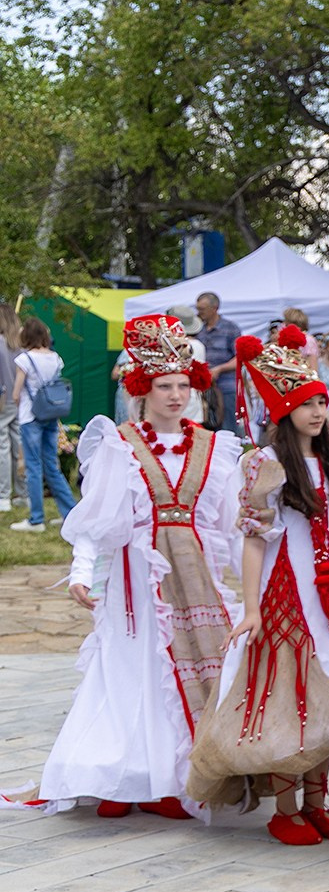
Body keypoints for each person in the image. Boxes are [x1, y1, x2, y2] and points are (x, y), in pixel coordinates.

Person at [7, 316, 239, 821]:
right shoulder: (121, 443)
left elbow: (229, 526)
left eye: (183, 385)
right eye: (164, 386)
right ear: (143, 390)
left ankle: (171, 781)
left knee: (181, 674)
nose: (175, 395)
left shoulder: (213, 447)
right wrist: (83, 571)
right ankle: (118, 774)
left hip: (194, 579)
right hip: (137, 581)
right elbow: (96, 519)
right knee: (132, 670)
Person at [191, 327, 329, 844]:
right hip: (287, 594)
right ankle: (286, 807)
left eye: (321, 402)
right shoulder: (265, 464)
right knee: (290, 700)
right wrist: (251, 608)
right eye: (305, 403)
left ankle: (317, 799)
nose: (317, 412)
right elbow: (253, 540)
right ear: (282, 411)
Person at [10, 316, 76, 533]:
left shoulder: (24, 359)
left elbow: (17, 393)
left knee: (33, 467)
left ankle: (36, 519)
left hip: (31, 416)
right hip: (51, 415)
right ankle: (70, 514)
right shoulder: (55, 358)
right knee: (52, 466)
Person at [193, 293, 242, 436]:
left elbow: (240, 358)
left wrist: (220, 369)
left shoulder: (230, 328)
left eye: (202, 309)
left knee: (227, 430)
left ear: (215, 308)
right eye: (197, 308)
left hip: (226, 387)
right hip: (203, 389)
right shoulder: (198, 329)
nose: (199, 313)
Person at [0, 304, 18, 514]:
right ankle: (21, 493)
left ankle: (4, 495)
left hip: (3, 398)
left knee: (3, 447)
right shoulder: (19, 344)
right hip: (18, 399)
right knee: (17, 446)